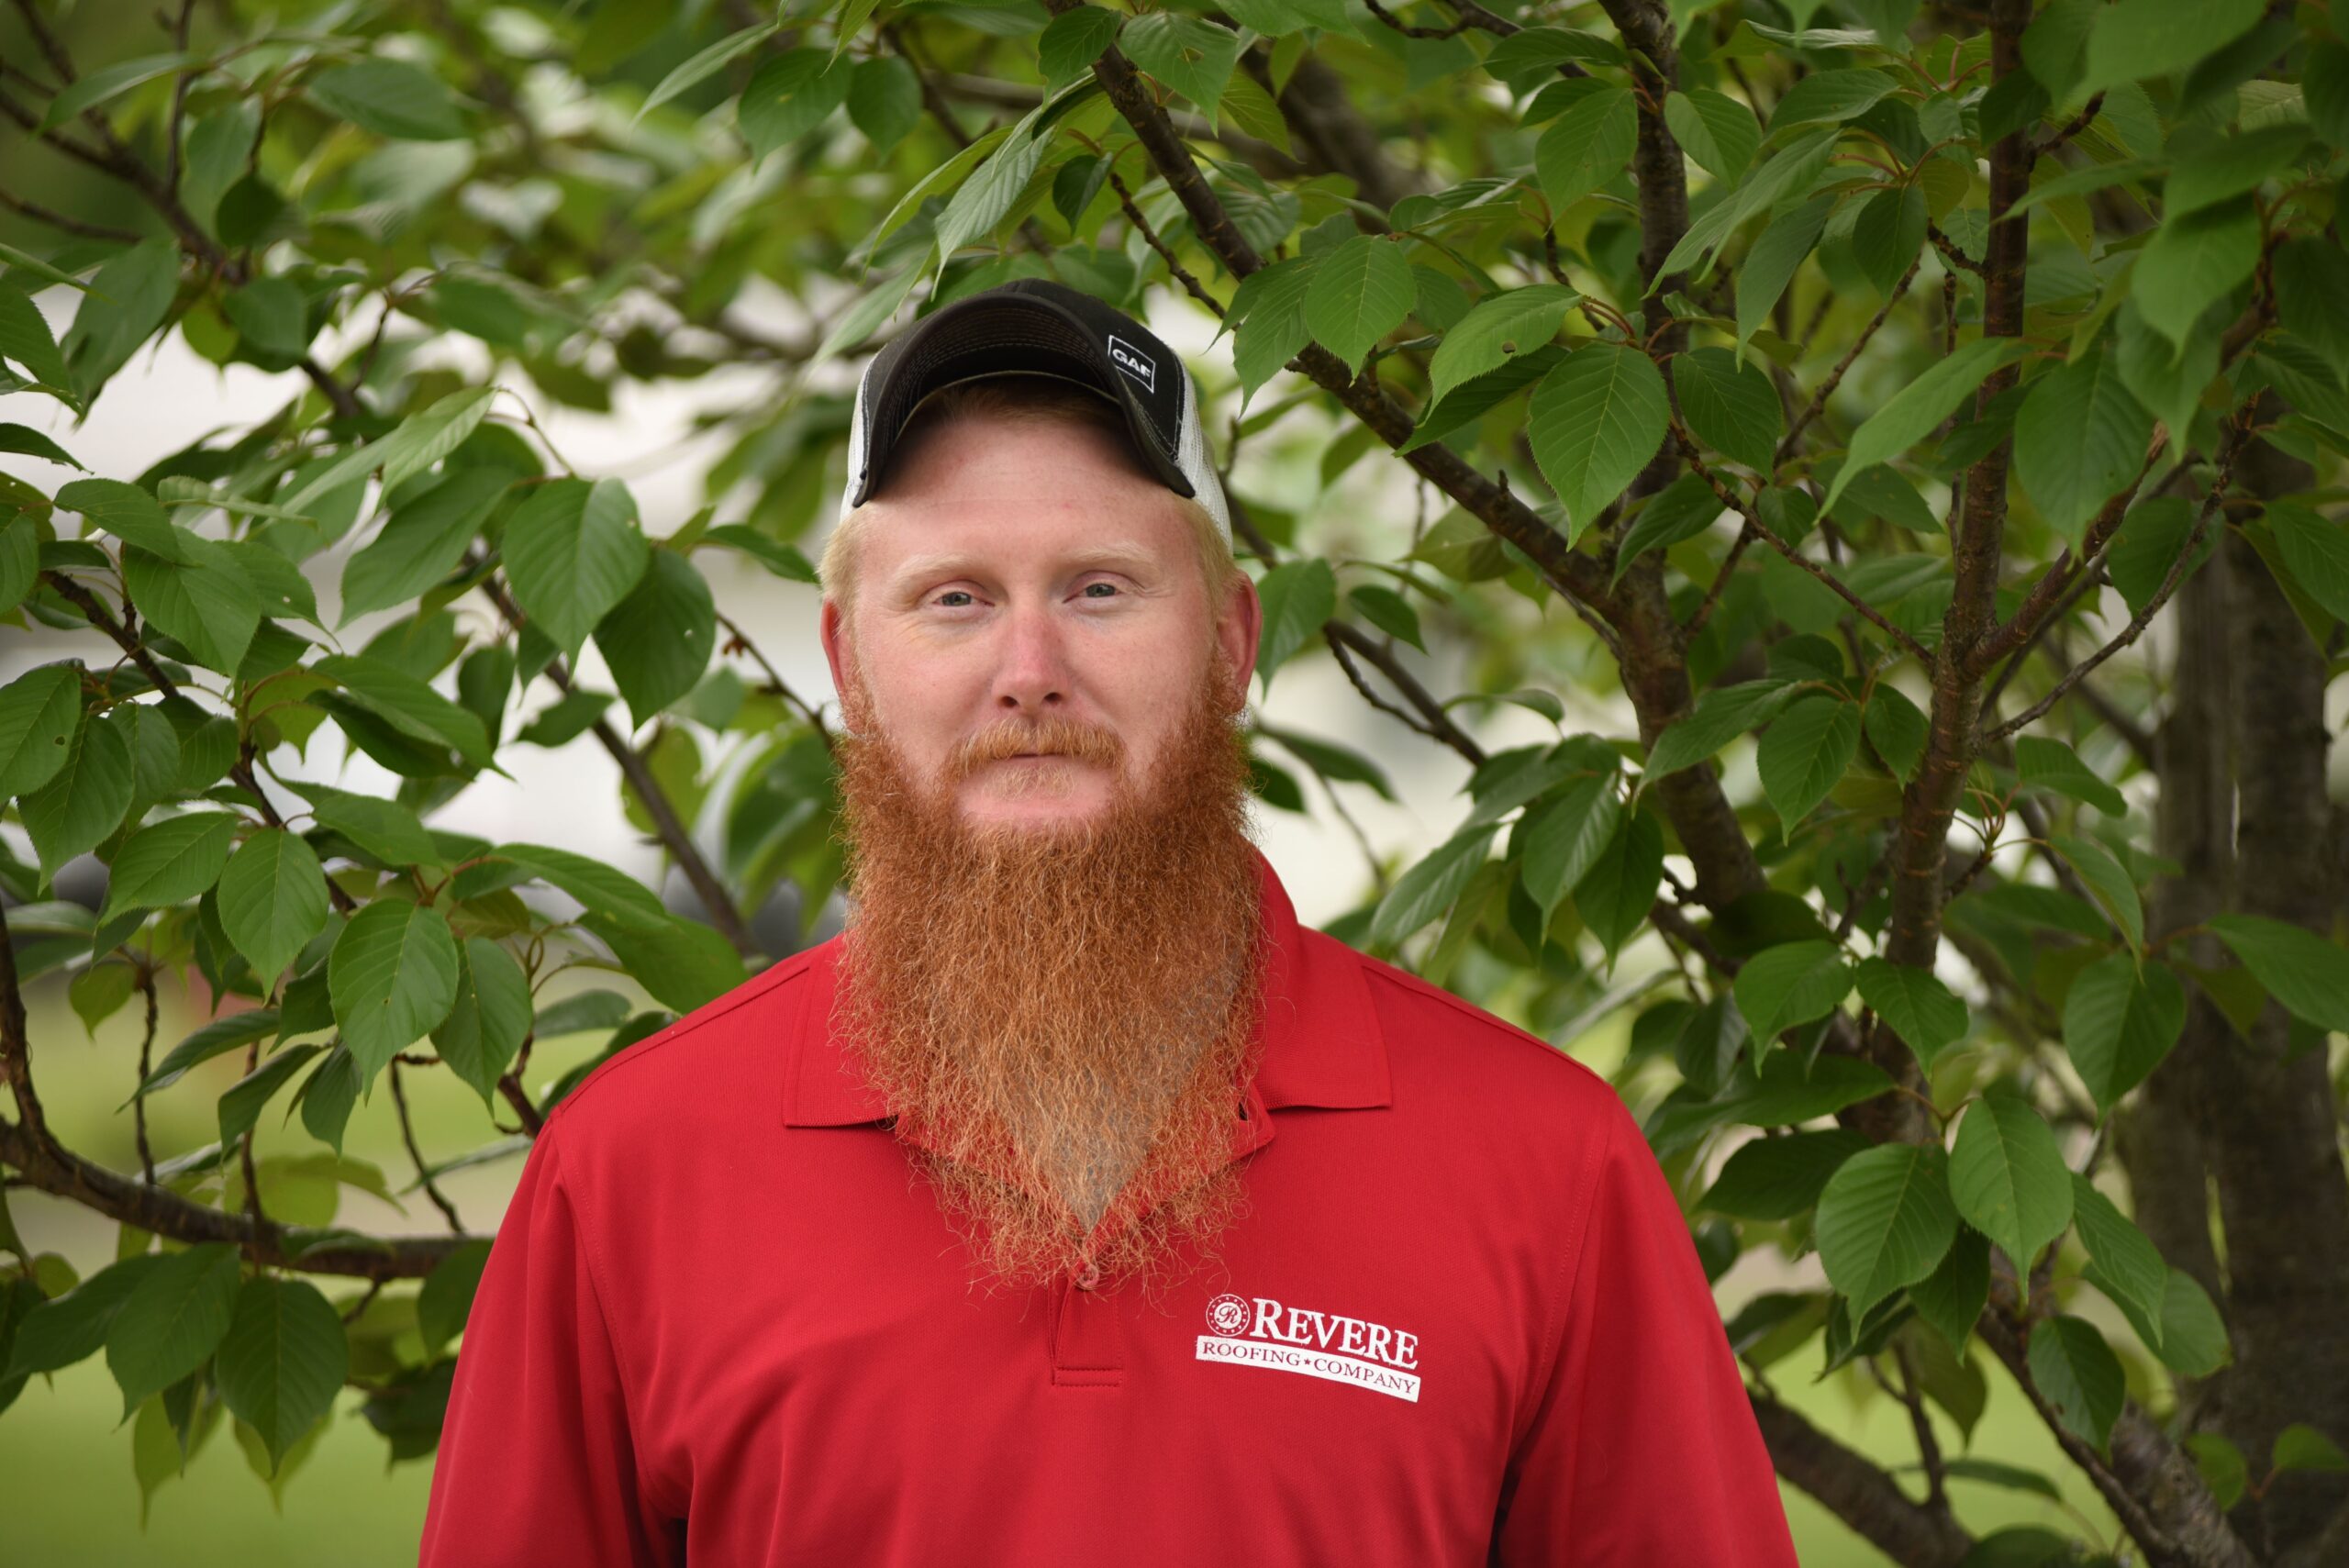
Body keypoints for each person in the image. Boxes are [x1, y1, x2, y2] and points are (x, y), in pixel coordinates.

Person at [417, 279, 1798, 1565]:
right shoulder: (631, 1170)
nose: (1030, 671)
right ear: (848, 661)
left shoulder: (1543, 1164)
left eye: (1100, 588)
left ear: (1233, 644)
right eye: (955, 599)